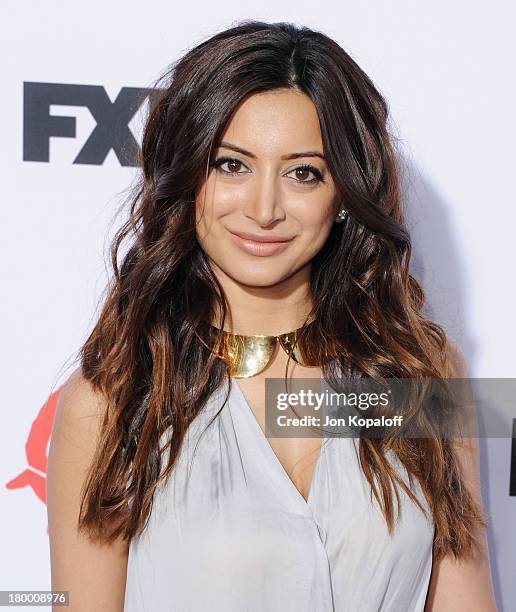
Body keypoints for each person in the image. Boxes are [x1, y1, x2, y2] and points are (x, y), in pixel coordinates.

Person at [46, 20, 497, 611]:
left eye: (302, 173)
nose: (263, 209)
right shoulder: (114, 400)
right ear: (188, 177)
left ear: (343, 196)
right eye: (232, 165)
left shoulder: (421, 374)